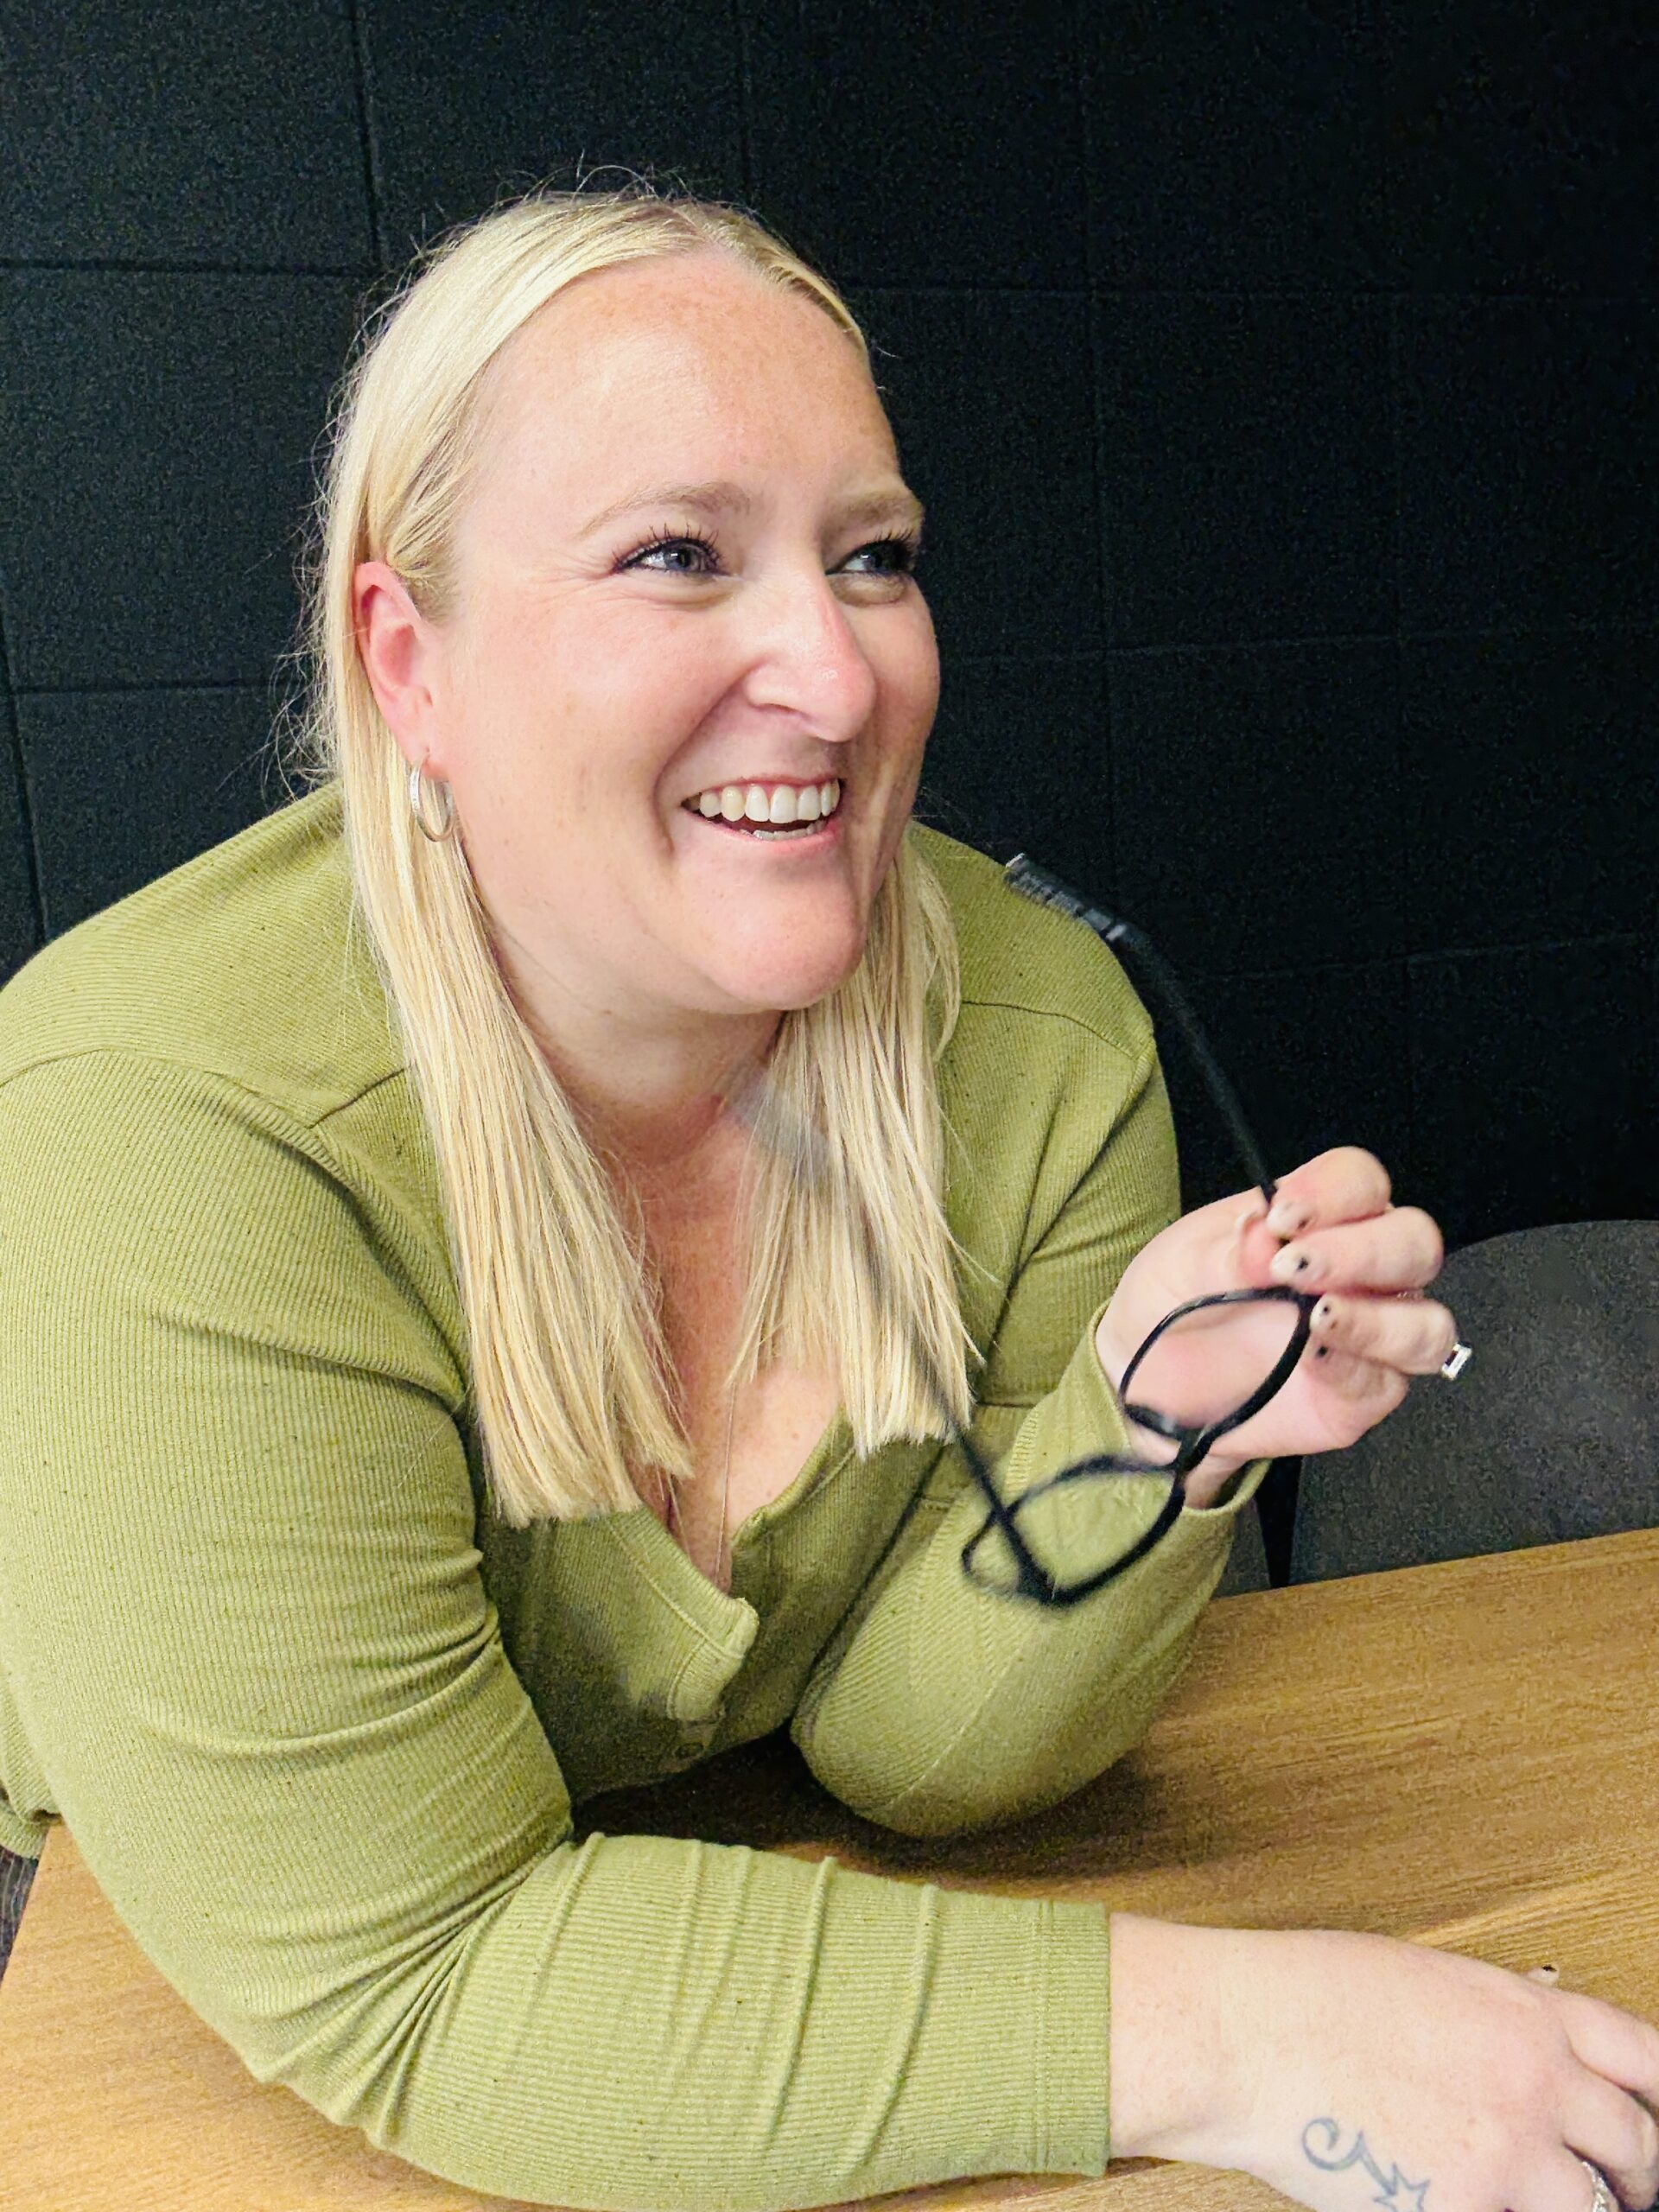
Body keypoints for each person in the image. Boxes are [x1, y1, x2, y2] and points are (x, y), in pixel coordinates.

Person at [0, 182, 1653, 2212]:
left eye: (872, 557)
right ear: (408, 662)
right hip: (128, 1957)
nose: (837, 670)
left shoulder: (1037, 1027)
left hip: (732, 1885)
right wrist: (1273, 2034)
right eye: (678, 553)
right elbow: (417, 1971)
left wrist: (1140, 1440)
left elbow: (908, 1751)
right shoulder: (154, 1122)